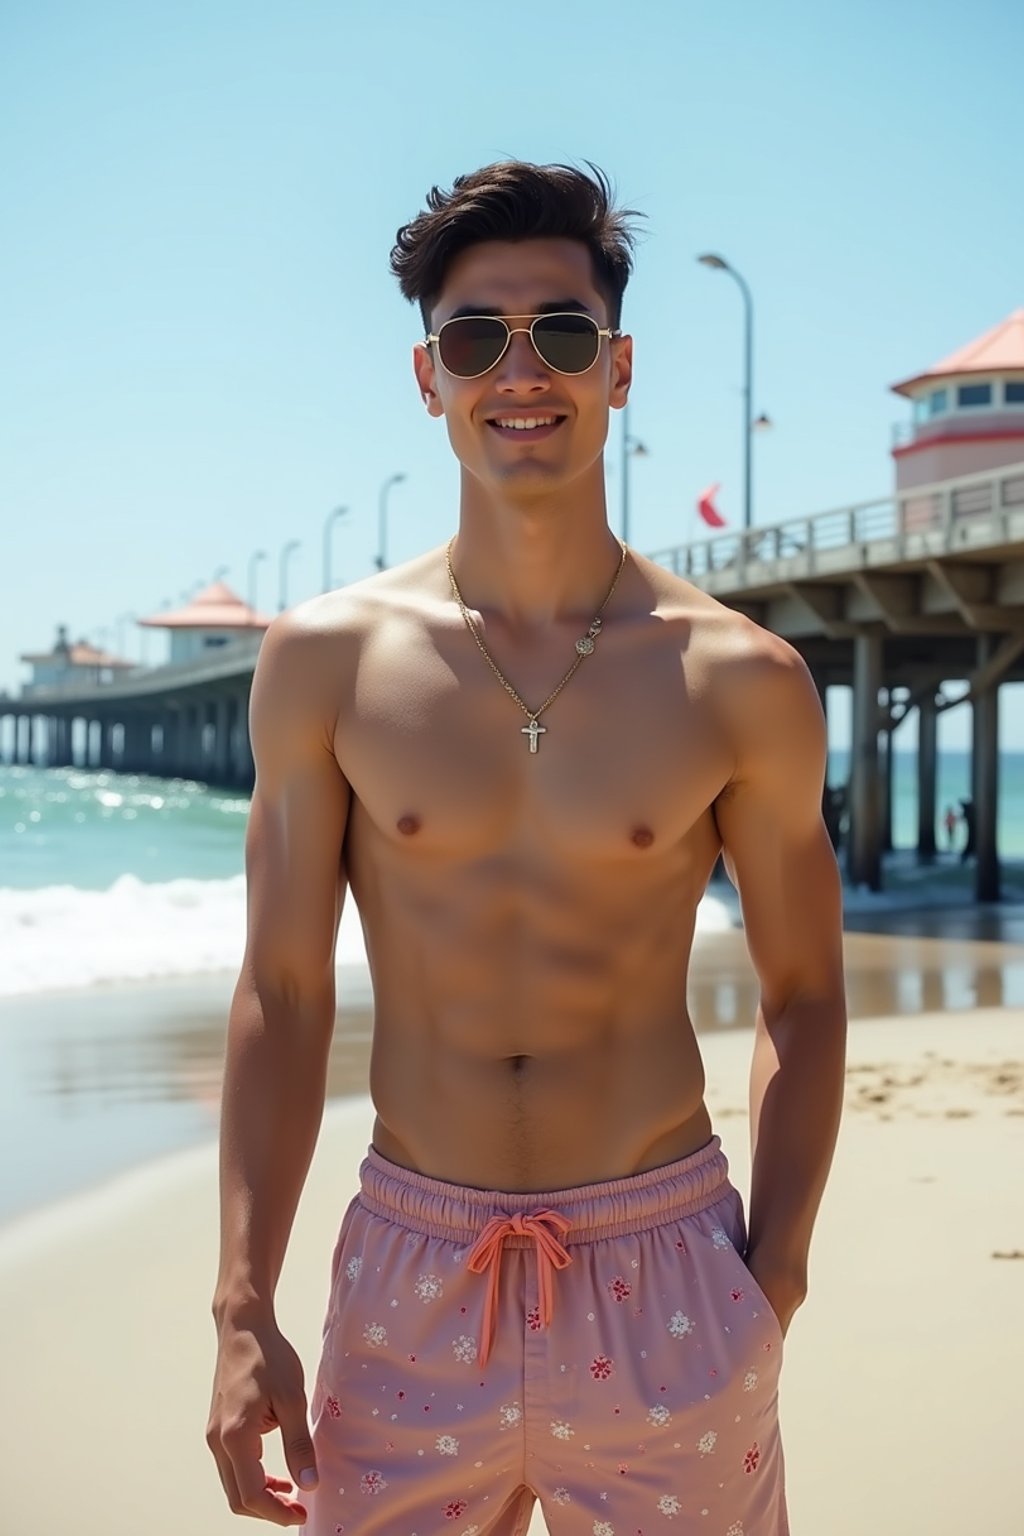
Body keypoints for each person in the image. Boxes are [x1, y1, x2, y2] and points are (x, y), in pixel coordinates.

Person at [206, 161, 848, 1535]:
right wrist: (243, 1303)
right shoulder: (325, 663)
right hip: (409, 1275)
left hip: (668, 1268)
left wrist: (771, 1276)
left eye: (560, 332)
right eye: (472, 336)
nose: (520, 369)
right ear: (425, 377)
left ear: (617, 370)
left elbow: (804, 991)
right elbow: (285, 990)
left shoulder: (743, 679)